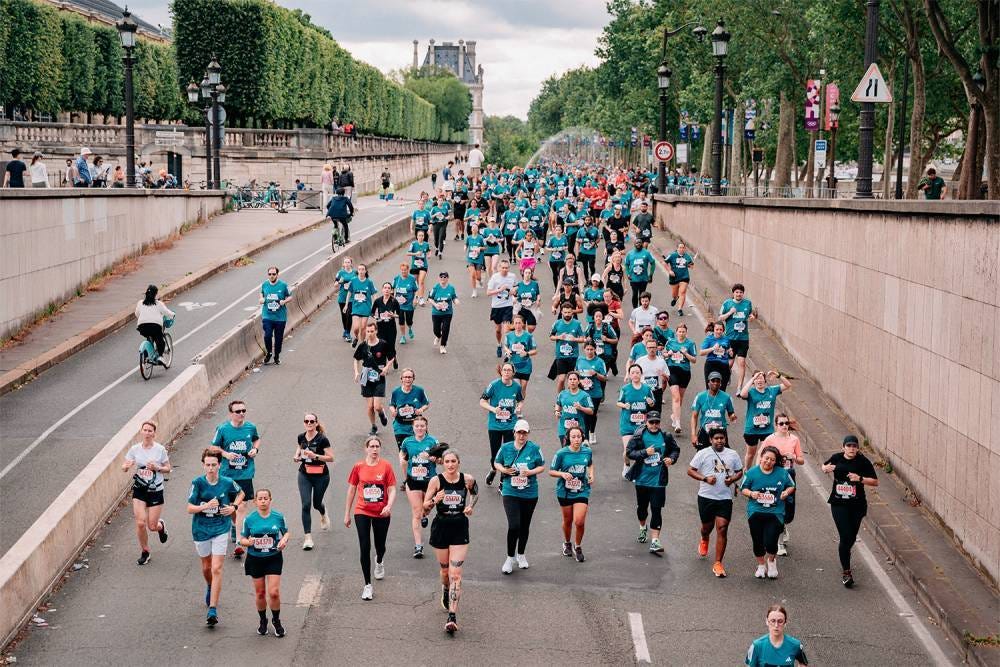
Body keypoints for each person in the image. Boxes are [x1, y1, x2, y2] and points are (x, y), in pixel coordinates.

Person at [423, 449, 478, 633]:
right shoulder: (436, 481)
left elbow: (475, 492)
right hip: (441, 526)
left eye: (453, 461)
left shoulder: (467, 479)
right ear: (443, 463)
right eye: (447, 461)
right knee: (445, 572)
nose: (450, 464)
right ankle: (445, 590)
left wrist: (470, 505)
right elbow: (424, 508)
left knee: (456, 573)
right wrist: (433, 500)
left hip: (459, 527)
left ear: (458, 462)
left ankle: (452, 616)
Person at [187, 449, 244, 626]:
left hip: (221, 528)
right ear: (203, 465)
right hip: (201, 529)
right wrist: (205, 506)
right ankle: (210, 586)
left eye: (214, 465)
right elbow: (189, 508)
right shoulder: (197, 483)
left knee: (217, 567)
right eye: (208, 465)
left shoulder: (227, 482)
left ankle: (213, 609)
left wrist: (234, 506)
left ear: (219, 465)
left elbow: (241, 493)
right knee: (206, 567)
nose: (211, 468)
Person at [344, 436, 397, 600]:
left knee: (380, 546)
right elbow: (351, 490)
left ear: (380, 448)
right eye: (371, 446)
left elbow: (392, 489)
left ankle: (379, 560)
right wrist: (347, 513)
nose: (374, 449)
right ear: (366, 449)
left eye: (377, 446)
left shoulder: (386, 466)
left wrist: (389, 506)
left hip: (382, 512)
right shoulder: (358, 467)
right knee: (364, 546)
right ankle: (367, 585)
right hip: (362, 511)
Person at [822, 435, 878, 588]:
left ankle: (845, 553)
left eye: (854, 446)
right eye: (849, 445)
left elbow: (875, 481)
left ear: (858, 448)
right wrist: (826, 468)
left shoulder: (862, 461)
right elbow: (824, 466)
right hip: (839, 503)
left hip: (857, 505)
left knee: (851, 538)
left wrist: (859, 479)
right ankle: (846, 572)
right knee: (845, 536)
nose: (852, 448)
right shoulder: (837, 457)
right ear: (843, 447)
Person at [687, 428, 744, 577]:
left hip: (725, 498)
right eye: (716, 438)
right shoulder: (703, 453)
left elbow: (739, 471)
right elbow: (690, 470)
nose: (719, 441)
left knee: (722, 528)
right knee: (707, 527)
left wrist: (732, 479)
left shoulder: (733, 454)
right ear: (711, 440)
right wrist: (705, 479)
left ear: (725, 439)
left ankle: (718, 563)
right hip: (706, 497)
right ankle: (704, 538)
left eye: (722, 438)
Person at [209, 400, 261, 558]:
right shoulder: (223, 429)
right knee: (231, 507)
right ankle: (234, 525)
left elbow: (256, 439)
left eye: (243, 410)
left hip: (245, 473)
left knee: (243, 505)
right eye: (238, 411)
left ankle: (239, 542)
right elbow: (213, 447)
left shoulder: (250, 427)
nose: (241, 413)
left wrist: (255, 449)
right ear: (231, 413)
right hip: (227, 474)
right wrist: (226, 454)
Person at [624, 412, 680, 554]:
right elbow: (629, 453)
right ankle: (643, 528)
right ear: (646, 422)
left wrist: (671, 459)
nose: (654, 425)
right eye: (651, 422)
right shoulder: (638, 436)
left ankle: (655, 541)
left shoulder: (666, 436)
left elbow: (675, 450)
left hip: (659, 481)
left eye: (657, 422)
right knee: (642, 509)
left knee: (656, 509)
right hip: (642, 480)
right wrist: (644, 452)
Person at [494, 419, 545, 574]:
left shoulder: (535, 448)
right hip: (511, 491)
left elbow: (542, 466)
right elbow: (496, 463)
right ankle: (509, 558)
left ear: (528, 434)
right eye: (519, 432)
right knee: (514, 525)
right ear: (514, 432)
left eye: (524, 433)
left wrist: (530, 472)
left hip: (529, 492)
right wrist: (504, 470)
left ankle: (521, 554)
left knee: (524, 525)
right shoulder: (505, 447)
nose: (521, 436)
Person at [239, 489, 289, 637]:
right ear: (255, 502)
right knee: (260, 593)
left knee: (273, 592)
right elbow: (242, 539)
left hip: (273, 557)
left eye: (265, 498)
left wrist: (284, 540)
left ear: (270, 500)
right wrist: (248, 542)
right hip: (255, 558)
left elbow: (286, 532)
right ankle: (263, 620)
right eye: (260, 499)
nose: (263, 501)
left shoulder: (278, 517)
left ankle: (276, 620)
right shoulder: (249, 519)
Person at [740, 445, 795, 579]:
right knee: (757, 541)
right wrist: (751, 493)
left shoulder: (782, 473)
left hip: (775, 512)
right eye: (766, 458)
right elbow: (743, 488)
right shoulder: (752, 472)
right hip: (756, 512)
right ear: (761, 458)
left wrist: (786, 492)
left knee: (771, 541)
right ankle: (761, 565)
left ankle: (771, 562)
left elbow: (792, 486)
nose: (768, 461)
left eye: (772, 460)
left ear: (776, 461)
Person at [121, 420, 171, 565]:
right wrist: (127, 466)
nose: (147, 433)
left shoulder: (160, 449)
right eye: (145, 430)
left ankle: (161, 527)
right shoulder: (135, 449)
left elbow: (168, 468)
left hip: (155, 489)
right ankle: (145, 551)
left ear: (154, 433)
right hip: (140, 489)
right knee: (140, 523)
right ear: (141, 432)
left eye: (150, 431)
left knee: (152, 526)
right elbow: (124, 465)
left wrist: (157, 467)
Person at [549, 426, 594, 562]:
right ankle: (567, 543)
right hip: (565, 492)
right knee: (568, 521)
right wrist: (562, 474)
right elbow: (551, 471)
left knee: (579, 521)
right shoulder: (561, 453)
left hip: (582, 490)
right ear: (568, 438)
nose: (576, 439)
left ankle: (578, 546)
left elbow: (590, 464)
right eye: (573, 437)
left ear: (582, 438)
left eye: (579, 437)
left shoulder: (587, 452)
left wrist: (591, 474)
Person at [761, 413, 803, 556]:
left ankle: (784, 525)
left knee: (789, 509)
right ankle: (779, 544)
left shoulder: (794, 439)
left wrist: (795, 457)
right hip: (774, 475)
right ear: (776, 425)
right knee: (777, 507)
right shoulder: (770, 439)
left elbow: (802, 460)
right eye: (781, 424)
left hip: (789, 475)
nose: (784, 426)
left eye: (786, 423)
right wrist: (758, 474)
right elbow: (761, 457)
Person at [400, 415, 440, 558]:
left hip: (430, 481)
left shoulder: (433, 441)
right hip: (413, 480)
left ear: (426, 426)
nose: (419, 428)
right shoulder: (407, 442)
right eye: (417, 426)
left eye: (422, 426)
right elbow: (403, 457)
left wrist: (434, 458)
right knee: (416, 511)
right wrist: (405, 477)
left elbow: (441, 460)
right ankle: (418, 546)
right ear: (413, 427)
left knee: (426, 507)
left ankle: (425, 514)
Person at [738, 370, 792, 472]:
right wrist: (753, 379)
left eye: (761, 378)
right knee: (750, 454)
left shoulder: (772, 390)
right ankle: (747, 471)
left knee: (763, 453)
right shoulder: (751, 392)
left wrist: (779, 375)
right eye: (757, 378)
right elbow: (742, 394)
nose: (759, 380)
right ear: (754, 382)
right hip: (752, 429)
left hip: (767, 430)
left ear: (765, 380)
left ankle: (759, 473)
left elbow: (788, 385)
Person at [480, 362, 525, 484]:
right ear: (501, 372)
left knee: (508, 453)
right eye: (504, 370)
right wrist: (493, 409)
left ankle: (502, 482)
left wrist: (519, 407)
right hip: (494, 425)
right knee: (495, 454)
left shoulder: (516, 387)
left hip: (510, 425)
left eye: (509, 370)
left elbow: (520, 400)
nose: (506, 372)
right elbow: (482, 401)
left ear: (513, 373)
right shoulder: (494, 385)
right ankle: (493, 469)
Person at [294, 412, 333, 551]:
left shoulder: (322, 439)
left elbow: (331, 458)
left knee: (316, 503)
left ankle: (323, 513)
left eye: (312, 421)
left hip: (321, 476)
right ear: (304, 423)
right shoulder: (301, 436)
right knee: (306, 504)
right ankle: (308, 538)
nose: (309, 423)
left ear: (316, 423)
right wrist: (297, 455)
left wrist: (315, 455)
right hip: (304, 474)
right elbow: (300, 447)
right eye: (306, 421)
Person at [353, 321, 394, 435]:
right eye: (368, 331)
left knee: (377, 406)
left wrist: (386, 368)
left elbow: (391, 357)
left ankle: (381, 413)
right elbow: (356, 359)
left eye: (372, 331)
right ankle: (373, 426)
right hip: (366, 377)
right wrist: (356, 372)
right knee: (370, 406)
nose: (369, 333)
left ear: (376, 331)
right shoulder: (363, 346)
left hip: (379, 377)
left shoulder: (383, 344)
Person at [719, 284, 757, 389]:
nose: (739, 294)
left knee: (741, 362)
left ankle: (739, 387)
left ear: (743, 293)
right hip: (730, 338)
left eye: (740, 292)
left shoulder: (747, 303)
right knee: (729, 363)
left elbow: (749, 314)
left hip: (743, 338)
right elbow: (720, 317)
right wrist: (730, 313)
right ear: (733, 293)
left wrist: (752, 317)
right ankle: (727, 376)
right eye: (736, 292)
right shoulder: (727, 303)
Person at [664, 322, 699, 434]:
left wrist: (686, 354)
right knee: (676, 397)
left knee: (680, 398)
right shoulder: (670, 342)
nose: (681, 333)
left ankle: (674, 415)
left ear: (686, 333)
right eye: (679, 331)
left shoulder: (690, 344)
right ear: (676, 332)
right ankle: (678, 423)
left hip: (684, 372)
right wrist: (668, 354)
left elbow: (694, 360)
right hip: (672, 370)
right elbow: (663, 354)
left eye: (683, 331)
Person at [690, 371, 738, 449]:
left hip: (720, 433)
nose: (715, 383)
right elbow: (694, 416)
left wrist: (732, 416)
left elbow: (731, 413)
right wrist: (693, 434)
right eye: (713, 381)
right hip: (705, 432)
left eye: (718, 381)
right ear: (708, 382)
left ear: (720, 383)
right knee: (702, 457)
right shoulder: (700, 396)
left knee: (723, 457)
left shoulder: (726, 397)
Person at [388, 368, 430, 450]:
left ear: (413, 378)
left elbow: (426, 404)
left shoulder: (419, 391)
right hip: (400, 427)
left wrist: (421, 410)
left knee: (419, 450)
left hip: (417, 427)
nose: (407, 379)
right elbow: (391, 404)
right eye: (405, 377)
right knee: (403, 452)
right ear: (401, 379)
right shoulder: (396, 392)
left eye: (410, 377)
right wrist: (393, 411)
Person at [574, 341, 608, 442]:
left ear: (595, 349)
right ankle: (586, 438)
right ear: (584, 350)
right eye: (587, 349)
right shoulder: (580, 360)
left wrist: (596, 374)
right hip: (582, 393)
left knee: (592, 415)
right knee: (584, 415)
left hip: (595, 393)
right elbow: (576, 372)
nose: (589, 351)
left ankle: (592, 432)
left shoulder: (599, 362)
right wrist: (578, 380)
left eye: (591, 349)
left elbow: (604, 378)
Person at [548, 302, 585, 391]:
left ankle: (570, 398)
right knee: (561, 380)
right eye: (565, 312)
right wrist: (559, 337)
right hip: (561, 356)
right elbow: (551, 336)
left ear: (572, 312)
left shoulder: (577, 324)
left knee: (572, 382)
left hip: (573, 356)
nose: (567, 314)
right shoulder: (557, 323)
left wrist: (574, 339)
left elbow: (583, 339)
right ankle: (560, 400)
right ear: (561, 312)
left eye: (569, 312)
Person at [134, 284, 175, 362]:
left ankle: (147, 356)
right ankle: (160, 356)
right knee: (160, 341)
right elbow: (167, 313)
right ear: (155, 294)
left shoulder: (140, 303)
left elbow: (137, 314)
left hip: (142, 327)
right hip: (155, 327)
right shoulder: (158, 304)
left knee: (149, 336)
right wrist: (173, 315)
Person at [260, 266, 291, 365]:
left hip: (280, 318)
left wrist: (284, 301)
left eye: (274, 274)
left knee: (278, 339)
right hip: (267, 316)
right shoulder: (265, 284)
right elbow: (261, 293)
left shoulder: (283, 285)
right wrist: (261, 299)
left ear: (277, 274)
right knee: (267, 335)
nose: (271, 276)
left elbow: (290, 296)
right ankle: (269, 353)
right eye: (270, 274)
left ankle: (276, 355)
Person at [487, 259, 518, 358]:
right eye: (503, 268)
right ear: (499, 268)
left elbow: (516, 286)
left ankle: (507, 351)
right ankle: (499, 344)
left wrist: (514, 290)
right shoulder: (495, 278)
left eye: (506, 268)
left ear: (509, 268)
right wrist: (500, 290)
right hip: (496, 306)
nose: (505, 269)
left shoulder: (512, 276)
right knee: (498, 330)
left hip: (508, 306)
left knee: (506, 330)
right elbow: (488, 293)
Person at [555, 371, 595, 444]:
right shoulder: (562, 394)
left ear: (579, 381)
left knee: (576, 452)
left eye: (574, 379)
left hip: (578, 430)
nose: (572, 381)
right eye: (570, 379)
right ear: (567, 382)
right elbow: (558, 404)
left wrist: (581, 408)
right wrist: (557, 412)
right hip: (563, 429)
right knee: (566, 451)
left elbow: (591, 411)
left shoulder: (584, 395)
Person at [504, 313, 537, 397]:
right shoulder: (509, 336)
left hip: (526, 366)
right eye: (516, 323)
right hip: (514, 366)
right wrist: (507, 350)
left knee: (523, 388)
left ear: (523, 324)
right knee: (516, 387)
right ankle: (515, 405)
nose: (518, 325)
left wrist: (527, 353)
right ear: (513, 324)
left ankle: (520, 405)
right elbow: (505, 345)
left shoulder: (529, 336)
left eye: (519, 323)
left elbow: (535, 351)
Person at [635, 338, 669, 415]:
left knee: (656, 415)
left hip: (656, 391)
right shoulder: (640, 361)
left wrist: (663, 374)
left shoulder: (661, 361)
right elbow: (634, 375)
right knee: (643, 413)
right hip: (643, 391)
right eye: (649, 347)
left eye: (653, 347)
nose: (652, 349)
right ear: (646, 349)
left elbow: (668, 378)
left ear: (657, 348)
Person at [428, 271, 459, 354]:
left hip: (447, 313)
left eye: (445, 277)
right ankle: (438, 336)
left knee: (445, 329)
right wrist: (435, 304)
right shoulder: (435, 288)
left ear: (447, 278)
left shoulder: (451, 288)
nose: (443, 279)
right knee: (436, 330)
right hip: (436, 313)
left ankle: (442, 346)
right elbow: (429, 298)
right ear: (439, 278)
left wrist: (456, 301)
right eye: (441, 277)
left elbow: (454, 297)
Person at [372, 282, 401, 371]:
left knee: (390, 347)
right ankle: (385, 367)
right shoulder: (378, 301)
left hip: (391, 328)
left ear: (391, 290)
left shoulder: (394, 301)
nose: (387, 290)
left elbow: (399, 314)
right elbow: (372, 312)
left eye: (389, 288)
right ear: (382, 289)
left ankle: (393, 357)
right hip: (380, 327)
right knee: (382, 346)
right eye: (385, 288)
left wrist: (393, 315)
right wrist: (376, 317)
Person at [345, 263, 376, 345]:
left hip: (366, 307)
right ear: (357, 271)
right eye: (359, 269)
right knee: (355, 328)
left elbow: (374, 294)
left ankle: (362, 344)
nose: (361, 271)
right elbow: (349, 293)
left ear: (365, 271)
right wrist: (346, 304)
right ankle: (356, 337)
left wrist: (375, 305)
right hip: (356, 307)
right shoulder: (353, 281)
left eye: (363, 269)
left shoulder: (369, 282)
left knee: (363, 327)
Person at [699, 321, 734, 391]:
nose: (719, 331)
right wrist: (712, 348)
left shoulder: (726, 339)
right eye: (717, 329)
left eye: (721, 330)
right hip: (711, 364)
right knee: (710, 389)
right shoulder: (709, 339)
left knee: (722, 390)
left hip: (724, 365)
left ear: (723, 330)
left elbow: (729, 350)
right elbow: (701, 352)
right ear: (714, 330)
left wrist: (730, 352)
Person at [664, 242, 695, 316]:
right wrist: (669, 271)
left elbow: (692, 266)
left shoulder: (687, 256)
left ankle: (680, 309)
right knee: (674, 294)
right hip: (674, 277)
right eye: (680, 247)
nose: (681, 249)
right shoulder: (672, 255)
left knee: (682, 292)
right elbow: (664, 262)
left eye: (683, 247)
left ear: (685, 249)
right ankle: (675, 298)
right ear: (677, 248)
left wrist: (689, 264)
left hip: (684, 277)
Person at [624, 239, 655, 308]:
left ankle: (641, 309)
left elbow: (653, 263)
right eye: (636, 243)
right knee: (634, 294)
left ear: (642, 244)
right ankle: (635, 309)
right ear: (634, 244)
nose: (638, 244)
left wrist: (651, 274)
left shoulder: (646, 253)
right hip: (633, 278)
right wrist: (628, 273)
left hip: (643, 279)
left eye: (640, 243)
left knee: (642, 295)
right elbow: (626, 264)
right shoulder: (630, 254)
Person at [334, 257, 356, 342]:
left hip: (351, 298)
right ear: (343, 264)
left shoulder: (355, 273)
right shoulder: (340, 273)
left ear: (351, 263)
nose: (347, 264)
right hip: (342, 297)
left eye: (348, 262)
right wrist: (340, 282)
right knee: (344, 316)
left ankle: (347, 333)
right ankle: (345, 330)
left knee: (349, 314)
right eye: (345, 262)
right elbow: (335, 285)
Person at [406, 230, 431, 304]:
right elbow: (407, 253)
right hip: (415, 266)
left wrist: (429, 255)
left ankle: (421, 298)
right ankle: (415, 297)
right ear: (417, 236)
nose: (421, 237)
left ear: (424, 236)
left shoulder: (426, 244)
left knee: (421, 281)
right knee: (415, 283)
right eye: (419, 235)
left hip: (423, 266)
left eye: (422, 235)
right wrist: (415, 253)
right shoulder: (413, 244)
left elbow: (429, 251)